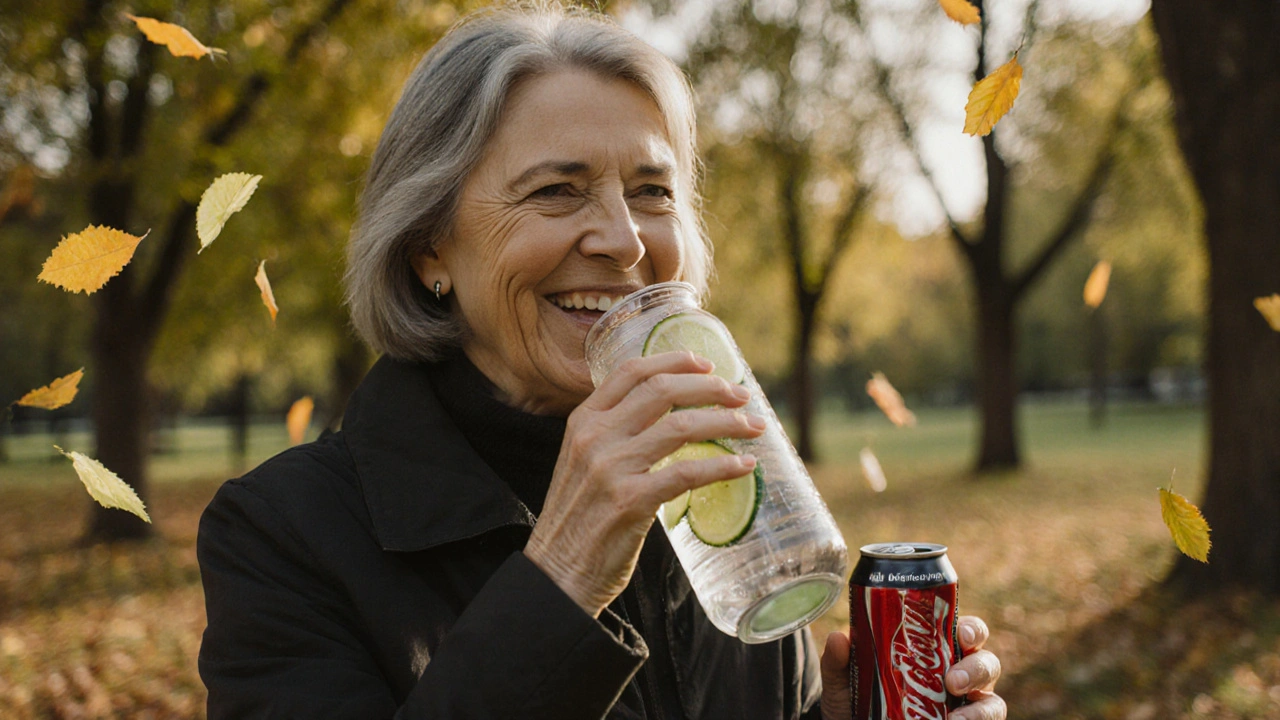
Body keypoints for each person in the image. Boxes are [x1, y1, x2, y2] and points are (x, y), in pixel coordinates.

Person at [196, 4, 1006, 719]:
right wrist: (564, 574)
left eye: (653, 192)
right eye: (557, 190)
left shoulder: (719, 477)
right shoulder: (281, 534)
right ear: (426, 249)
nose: (623, 239)